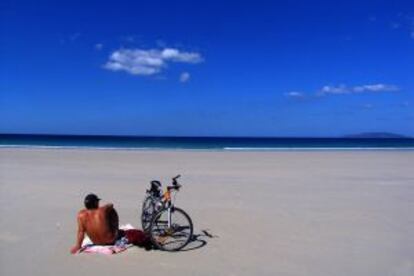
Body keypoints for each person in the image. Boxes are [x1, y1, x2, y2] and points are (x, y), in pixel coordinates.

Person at [70, 193, 150, 254]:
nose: (98, 203)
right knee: (134, 233)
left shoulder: (81, 215)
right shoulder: (102, 210)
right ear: (95, 203)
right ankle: (150, 239)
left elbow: (81, 232)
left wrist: (78, 246)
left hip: (96, 242)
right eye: (97, 201)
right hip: (111, 240)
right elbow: (111, 205)